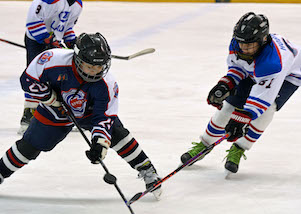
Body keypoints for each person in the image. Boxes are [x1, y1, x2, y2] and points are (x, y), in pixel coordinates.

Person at [0, 32, 162, 199]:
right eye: (90, 66)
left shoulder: (107, 84)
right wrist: (50, 98)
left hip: (89, 113)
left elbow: (104, 118)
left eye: (99, 66)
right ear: (77, 60)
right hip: (55, 111)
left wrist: (100, 144)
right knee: (30, 145)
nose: (95, 71)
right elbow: (28, 80)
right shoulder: (53, 60)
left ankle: (148, 171)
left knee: (117, 134)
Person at [181, 12, 300, 174]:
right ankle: (204, 144)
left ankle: (239, 148)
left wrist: (242, 119)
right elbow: (239, 67)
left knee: (267, 111)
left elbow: (261, 98)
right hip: (259, 69)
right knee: (229, 106)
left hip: (289, 75)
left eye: (249, 45)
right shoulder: (239, 43)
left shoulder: (273, 63)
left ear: (263, 40)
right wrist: (226, 84)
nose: (243, 48)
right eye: (241, 43)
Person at [19, 0, 83, 134]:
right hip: (36, 41)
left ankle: (62, 112)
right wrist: (48, 39)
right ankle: (30, 113)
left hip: (55, 43)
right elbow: (33, 22)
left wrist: (72, 42)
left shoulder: (77, 4)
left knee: (61, 76)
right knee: (34, 76)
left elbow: (67, 27)